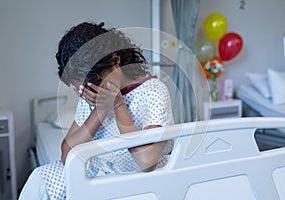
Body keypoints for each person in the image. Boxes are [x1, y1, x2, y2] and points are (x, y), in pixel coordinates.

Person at [19, 21, 174, 200]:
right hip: (98, 171)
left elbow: (147, 161)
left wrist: (117, 105)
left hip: (135, 177)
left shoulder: (153, 91)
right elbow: (67, 154)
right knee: (40, 179)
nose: (87, 93)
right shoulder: (89, 94)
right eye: (80, 89)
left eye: (95, 84)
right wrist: (100, 110)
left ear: (116, 61)